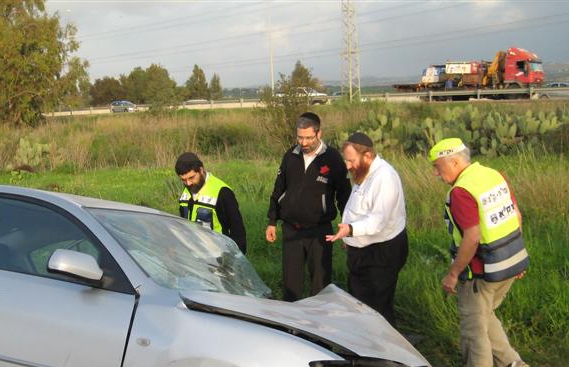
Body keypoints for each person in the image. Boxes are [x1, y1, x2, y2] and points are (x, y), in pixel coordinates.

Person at [430, 138, 531, 367]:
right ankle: (513, 365)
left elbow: (472, 237)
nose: (436, 174)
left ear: (454, 161)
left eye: (438, 167)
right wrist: (515, 259)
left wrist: (453, 274)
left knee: (474, 333)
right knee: (485, 315)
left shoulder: (461, 191)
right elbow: (516, 216)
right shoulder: (493, 175)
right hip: (508, 264)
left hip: (480, 272)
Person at [266, 112, 351, 301]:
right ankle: (290, 327)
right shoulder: (290, 155)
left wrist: (347, 227)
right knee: (291, 286)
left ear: (319, 134)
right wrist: (272, 220)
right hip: (291, 231)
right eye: (300, 137)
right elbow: (278, 189)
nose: (303, 143)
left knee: (320, 287)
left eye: (308, 138)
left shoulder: (333, 159)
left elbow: (345, 197)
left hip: (319, 233)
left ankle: (318, 326)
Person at [326, 132, 408, 326]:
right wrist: (350, 239)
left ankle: (384, 351)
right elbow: (358, 207)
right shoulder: (364, 172)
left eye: (351, 160)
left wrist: (350, 231)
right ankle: (363, 346)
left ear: (368, 155)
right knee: (359, 303)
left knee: (377, 308)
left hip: (381, 253)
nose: (347, 165)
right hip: (362, 251)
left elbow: (378, 221)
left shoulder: (385, 177)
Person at [175, 152, 247, 254]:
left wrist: (235, 260)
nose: (188, 183)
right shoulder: (186, 192)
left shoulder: (222, 192)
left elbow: (238, 230)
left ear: (201, 170)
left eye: (191, 178)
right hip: (193, 255)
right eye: (183, 180)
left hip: (219, 257)